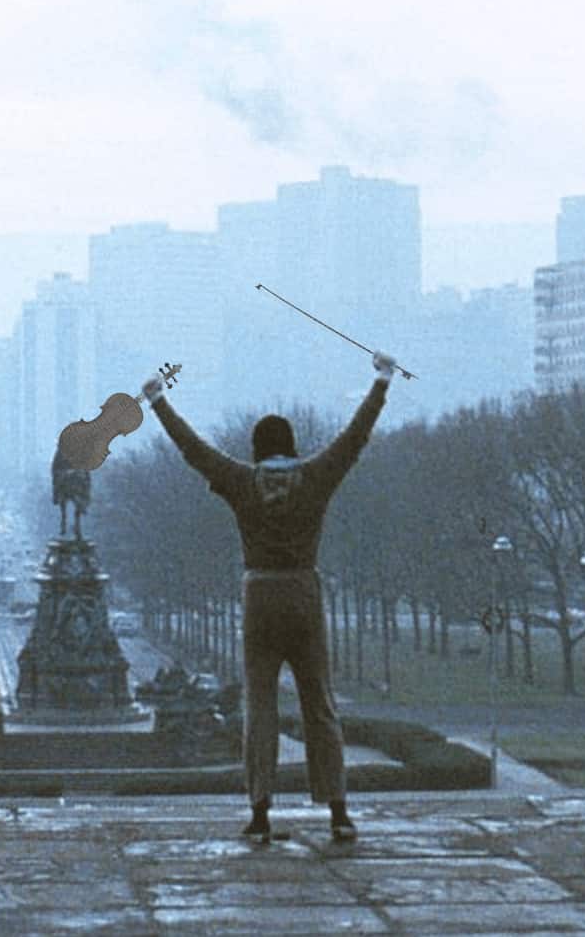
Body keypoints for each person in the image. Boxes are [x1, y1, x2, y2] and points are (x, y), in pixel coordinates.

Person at [143, 350, 397, 842]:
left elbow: (193, 449)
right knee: (319, 704)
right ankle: (338, 811)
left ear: (257, 449)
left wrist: (158, 401)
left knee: (259, 708)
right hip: (303, 590)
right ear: (292, 445)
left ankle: (260, 814)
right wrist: (382, 382)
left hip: (259, 595)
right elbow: (355, 437)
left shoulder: (241, 481)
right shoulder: (316, 477)